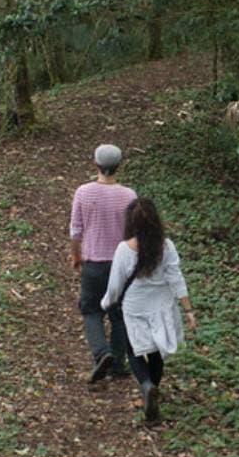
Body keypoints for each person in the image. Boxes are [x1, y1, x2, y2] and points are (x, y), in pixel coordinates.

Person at [101, 197, 196, 423]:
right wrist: (189, 310)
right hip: (162, 306)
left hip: (135, 307)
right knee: (155, 351)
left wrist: (106, 303)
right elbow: (176, 279)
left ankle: (146, 385)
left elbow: (115, 285)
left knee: (133, 349)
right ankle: (153, 388)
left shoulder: (125, 249)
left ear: (131, 223)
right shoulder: (167, 246)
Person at [70, 144, 137, 382]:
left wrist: (76, 256)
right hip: (121, 265)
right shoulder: (129, 195)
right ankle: (118, 364)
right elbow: (133, 234)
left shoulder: (83, 192)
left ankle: (101, 353)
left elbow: (76, 230)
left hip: (93, 263)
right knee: (119, 314)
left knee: (91, 310)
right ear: (119, 165)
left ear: (95, 163)